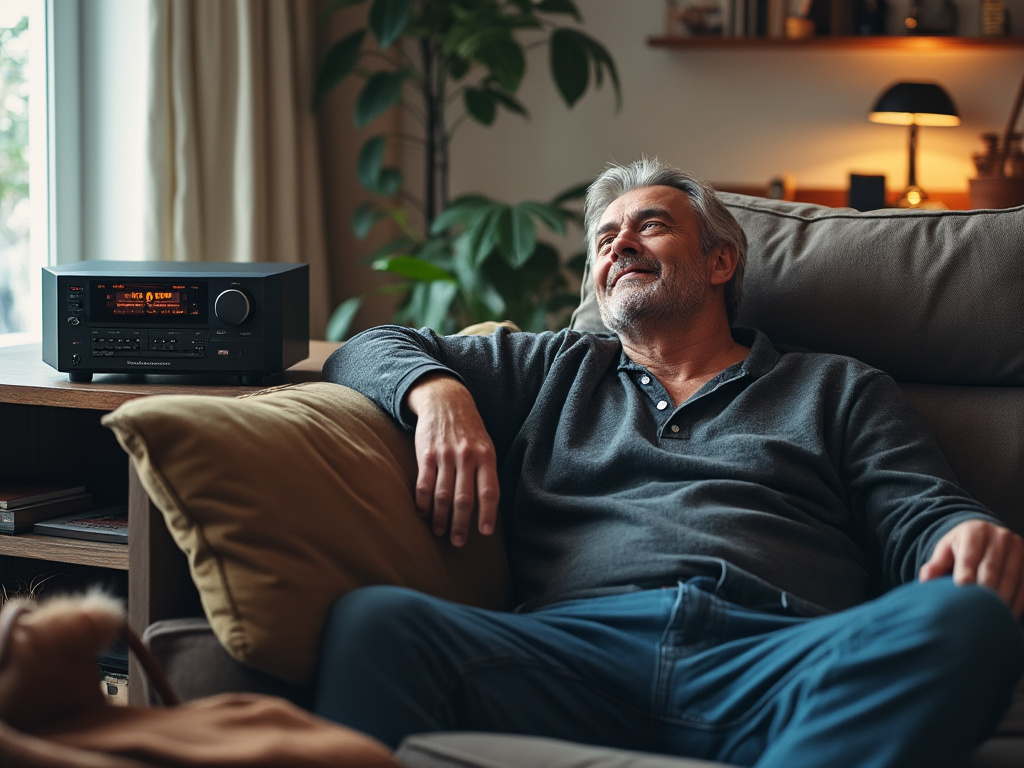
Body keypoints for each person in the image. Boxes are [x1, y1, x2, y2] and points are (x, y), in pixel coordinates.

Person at [316, 157, 1024, 768]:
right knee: (376, 624)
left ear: (721, 262)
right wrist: (437, 395)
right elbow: (367, 347)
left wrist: (957, 532)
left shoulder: (837, 385)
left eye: (649, 225)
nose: (619, 242)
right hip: (574, 656)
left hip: (779, 659)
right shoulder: (555, 368)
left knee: (967, 620)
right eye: (603, 239)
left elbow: (915, 507)